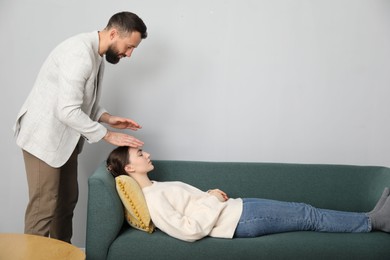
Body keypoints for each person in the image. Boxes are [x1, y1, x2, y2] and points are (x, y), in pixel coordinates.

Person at [13, 11, 148, 243]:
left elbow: (80, 101)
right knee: (44, 207)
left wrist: (107, 117)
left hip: (65, 141)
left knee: (66, 202)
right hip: (43, 139)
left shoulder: (97, 54)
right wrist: (107, 135)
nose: (129, 54)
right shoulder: (79, 54)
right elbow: (67, 110)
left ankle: (60, 255)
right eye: (129, 47)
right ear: (114, 33)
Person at [106, 146, 390, 242]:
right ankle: (374, 222)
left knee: (306, 210)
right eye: (140, 154)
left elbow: (192, 205)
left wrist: (209, 194)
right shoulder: (153, 201)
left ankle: (372, 217)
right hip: (239, 221)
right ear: (130, 167)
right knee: (309, 216)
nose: (148, 154)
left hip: (238, 209)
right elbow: (188, 230)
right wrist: (214, 201)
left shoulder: (157, 188)